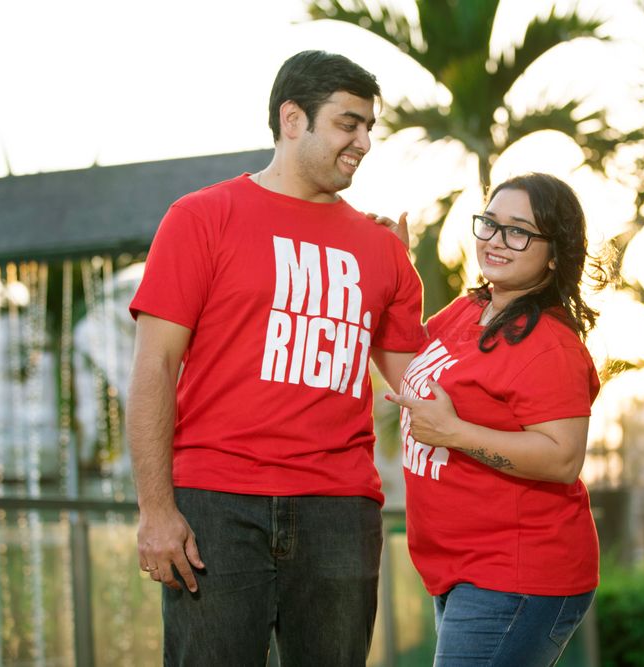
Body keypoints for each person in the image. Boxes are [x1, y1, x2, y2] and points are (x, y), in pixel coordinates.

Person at [126, 50, 424, 666]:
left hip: (339, 509)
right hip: (216, 504)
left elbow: (419, 384)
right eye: (348, 123)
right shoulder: (201, 218)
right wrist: (156, 510)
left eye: (369, 127)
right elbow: (153, 369)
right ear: (293, 119)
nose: (364, 141)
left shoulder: (383, 249)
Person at [385, 173, 611, 666]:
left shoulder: (549, 345)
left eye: (519, 231)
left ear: (554, 253)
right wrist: (395, 270)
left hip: (518, 575)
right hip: (464, 569)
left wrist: (455, 433)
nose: (495, 240)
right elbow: (408, 373)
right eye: (490, 223)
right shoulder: (472, 309)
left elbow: (563, 458)